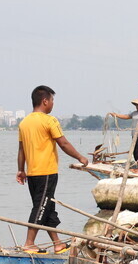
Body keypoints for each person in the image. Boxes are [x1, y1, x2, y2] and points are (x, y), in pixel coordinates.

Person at [16, 85, 89, 253]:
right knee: (41, 207)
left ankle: (57, 243)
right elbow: (63, 143)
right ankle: (29, 243)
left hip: (32, 173)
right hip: (46, 172)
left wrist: (21, 169)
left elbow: (21, 150)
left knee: (47, 206)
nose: (53, 104)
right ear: (45, 101)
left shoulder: (24, 122)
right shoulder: (49, 120)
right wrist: (80, 157)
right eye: (52, 100)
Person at [109, 98, 138, 170]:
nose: (136, 107)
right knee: (134, 151)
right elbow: (127, 116)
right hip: (134, 134)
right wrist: (116, 115)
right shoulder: (134, 113)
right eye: (136, 105)